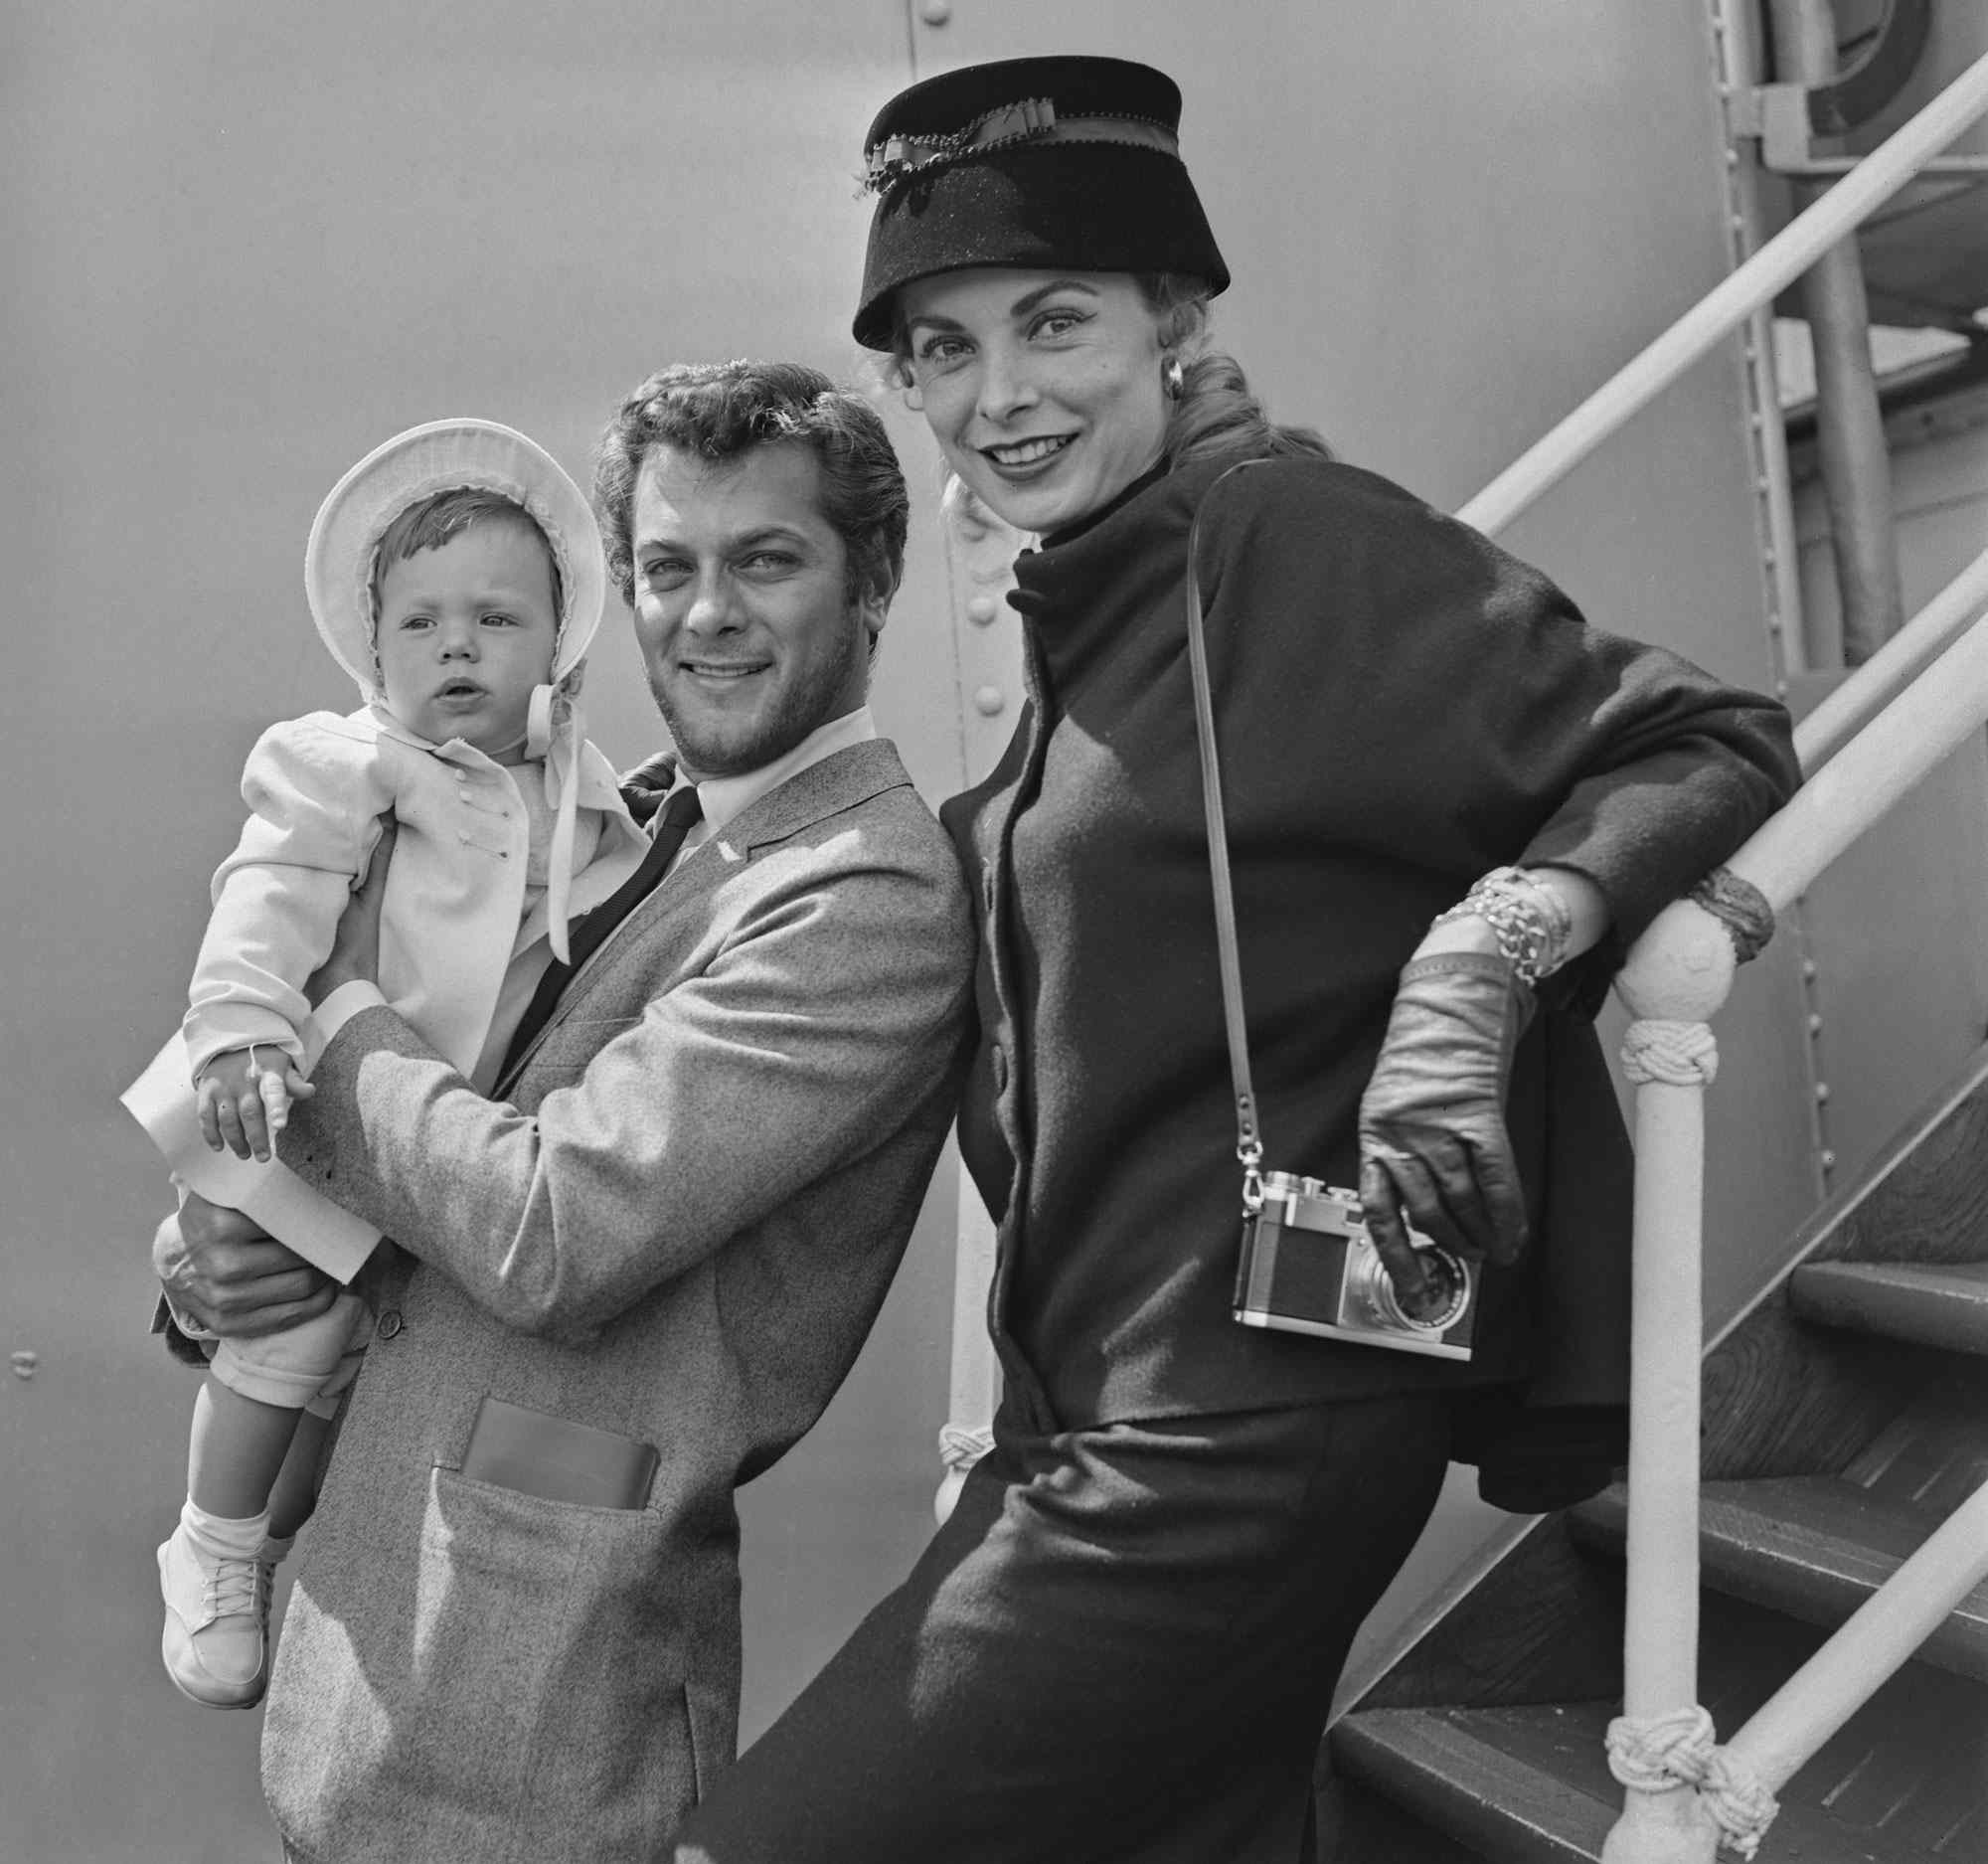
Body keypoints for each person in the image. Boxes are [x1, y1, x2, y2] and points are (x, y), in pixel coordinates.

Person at [667, 57, 1801, 1864]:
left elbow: (1703, 735)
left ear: (1172, 320)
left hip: (1235, 1429)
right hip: (1105, 1411)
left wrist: (1491, 954)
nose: (999, 393)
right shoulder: (1103, 599)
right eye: (942, 350)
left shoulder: (1291, 537)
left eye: (1052, 322)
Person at [150, 361, 974, 1863]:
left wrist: (325, 1015)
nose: (706, 613)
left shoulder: (869, 889)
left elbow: (550, 1223)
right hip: (369, 1647)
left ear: (876, 584)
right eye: (669, 567)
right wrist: (222, 1248)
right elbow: (433, 1139)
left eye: (766, 561)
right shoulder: (606, 819)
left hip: (537, 1713)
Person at [127, 419, 648, 1711]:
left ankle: (263, 1539)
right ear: (373, 650)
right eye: (419, 625)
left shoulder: (591, 803)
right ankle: (210, 1544)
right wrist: (242, 1027)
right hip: (294, 1106)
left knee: (338, 1388)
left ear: (563, 639)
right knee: (280, 1353)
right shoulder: (350, 766)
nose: (458, 646)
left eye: (496, 619)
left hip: (435, 1166)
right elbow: (270, 898)